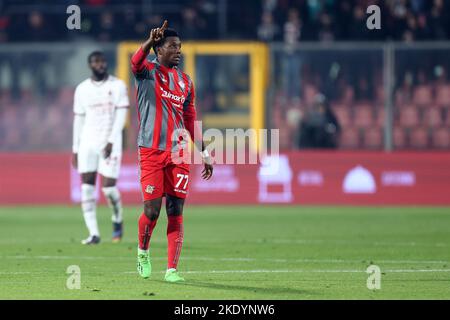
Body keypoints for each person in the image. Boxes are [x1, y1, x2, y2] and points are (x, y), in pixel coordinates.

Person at [130, 21, 213, 283]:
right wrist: (147, 42)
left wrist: (203, 152)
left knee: (175, 210)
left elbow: (189, 120)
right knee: (152, 211)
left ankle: (172, 270)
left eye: (180, 47)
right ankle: (143, 251)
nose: (179, 51)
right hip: (151, 151)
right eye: (173, 47)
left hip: (178, 154)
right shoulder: (147, 72)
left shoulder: (186, 82)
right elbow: (134, 61)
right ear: (159, 49)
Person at [72, 51, 129, 245]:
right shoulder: (82, 89)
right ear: (90, 65)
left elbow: (121, 116)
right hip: (88, 142)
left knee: (108, 189)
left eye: (103, 61)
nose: (100, 64)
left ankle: (117, 218)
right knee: (87, 188)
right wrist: (75, 148)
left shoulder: (118, 85)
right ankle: (94, 234)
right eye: (96, 62)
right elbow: (78, 119)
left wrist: (112, 140)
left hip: (110, 142)